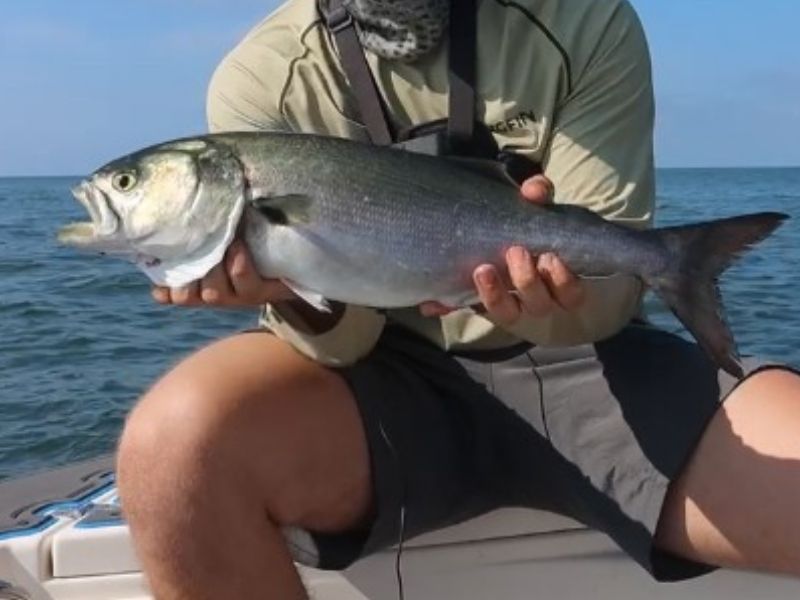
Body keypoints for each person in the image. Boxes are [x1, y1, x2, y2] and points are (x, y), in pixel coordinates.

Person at [116, 0, 800, 598]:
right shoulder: (263, 75)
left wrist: (558, 293)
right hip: (378, 379)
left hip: (592, 366)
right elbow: (343, 343)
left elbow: (606, 306)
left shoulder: (583, 16)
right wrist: (290, 296)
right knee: (170, 452)